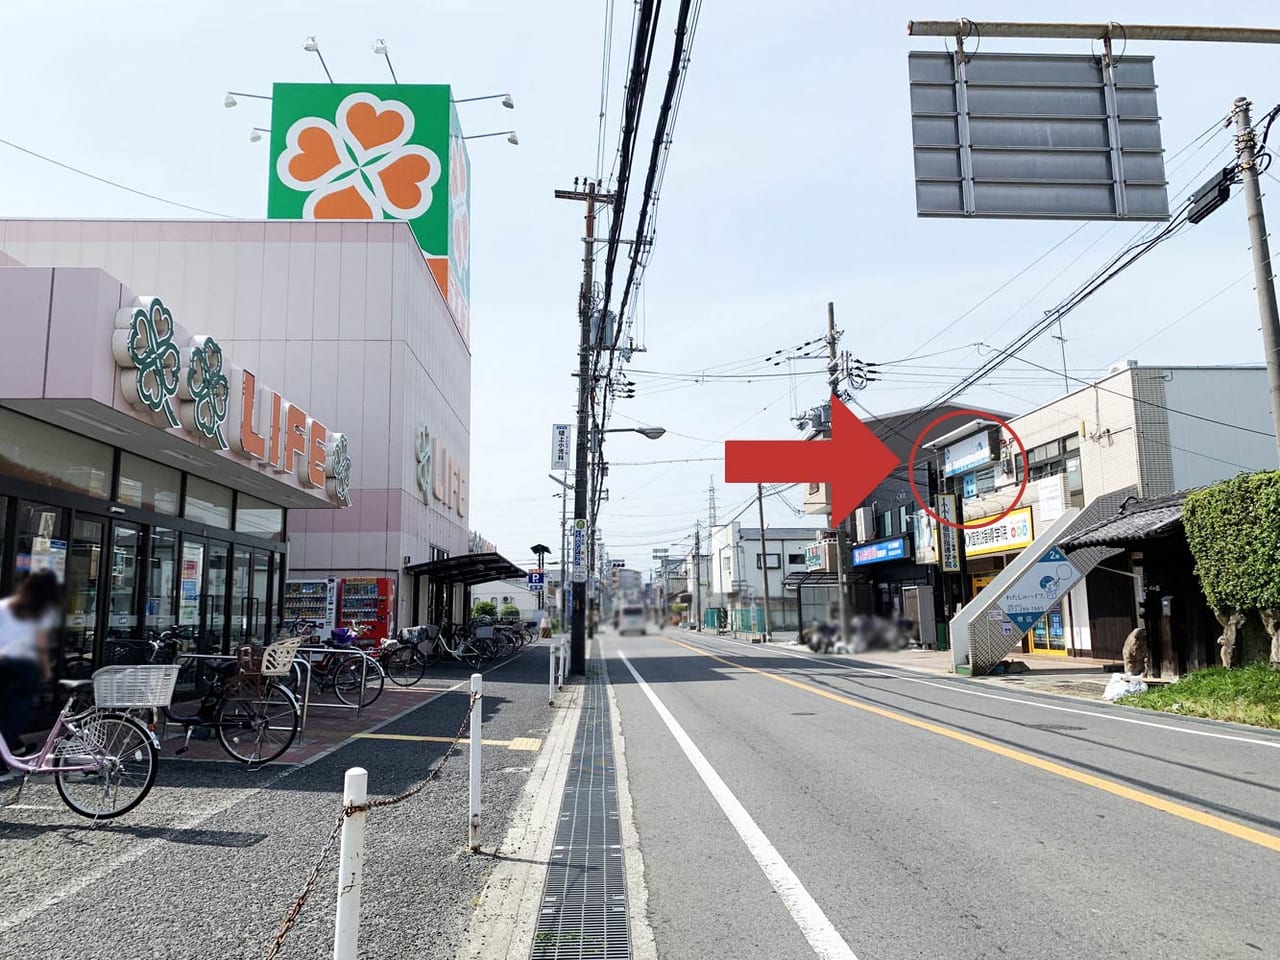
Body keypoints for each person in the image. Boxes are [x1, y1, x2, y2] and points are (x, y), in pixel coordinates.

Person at [0, 570, 62, 762]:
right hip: (25, 666)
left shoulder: (5, 605)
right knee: (15, 713)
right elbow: (41, 643)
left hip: (3, 662)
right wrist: (46, 669)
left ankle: (14, 747)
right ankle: (6, 755)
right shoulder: (43, 610)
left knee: (3, 708)